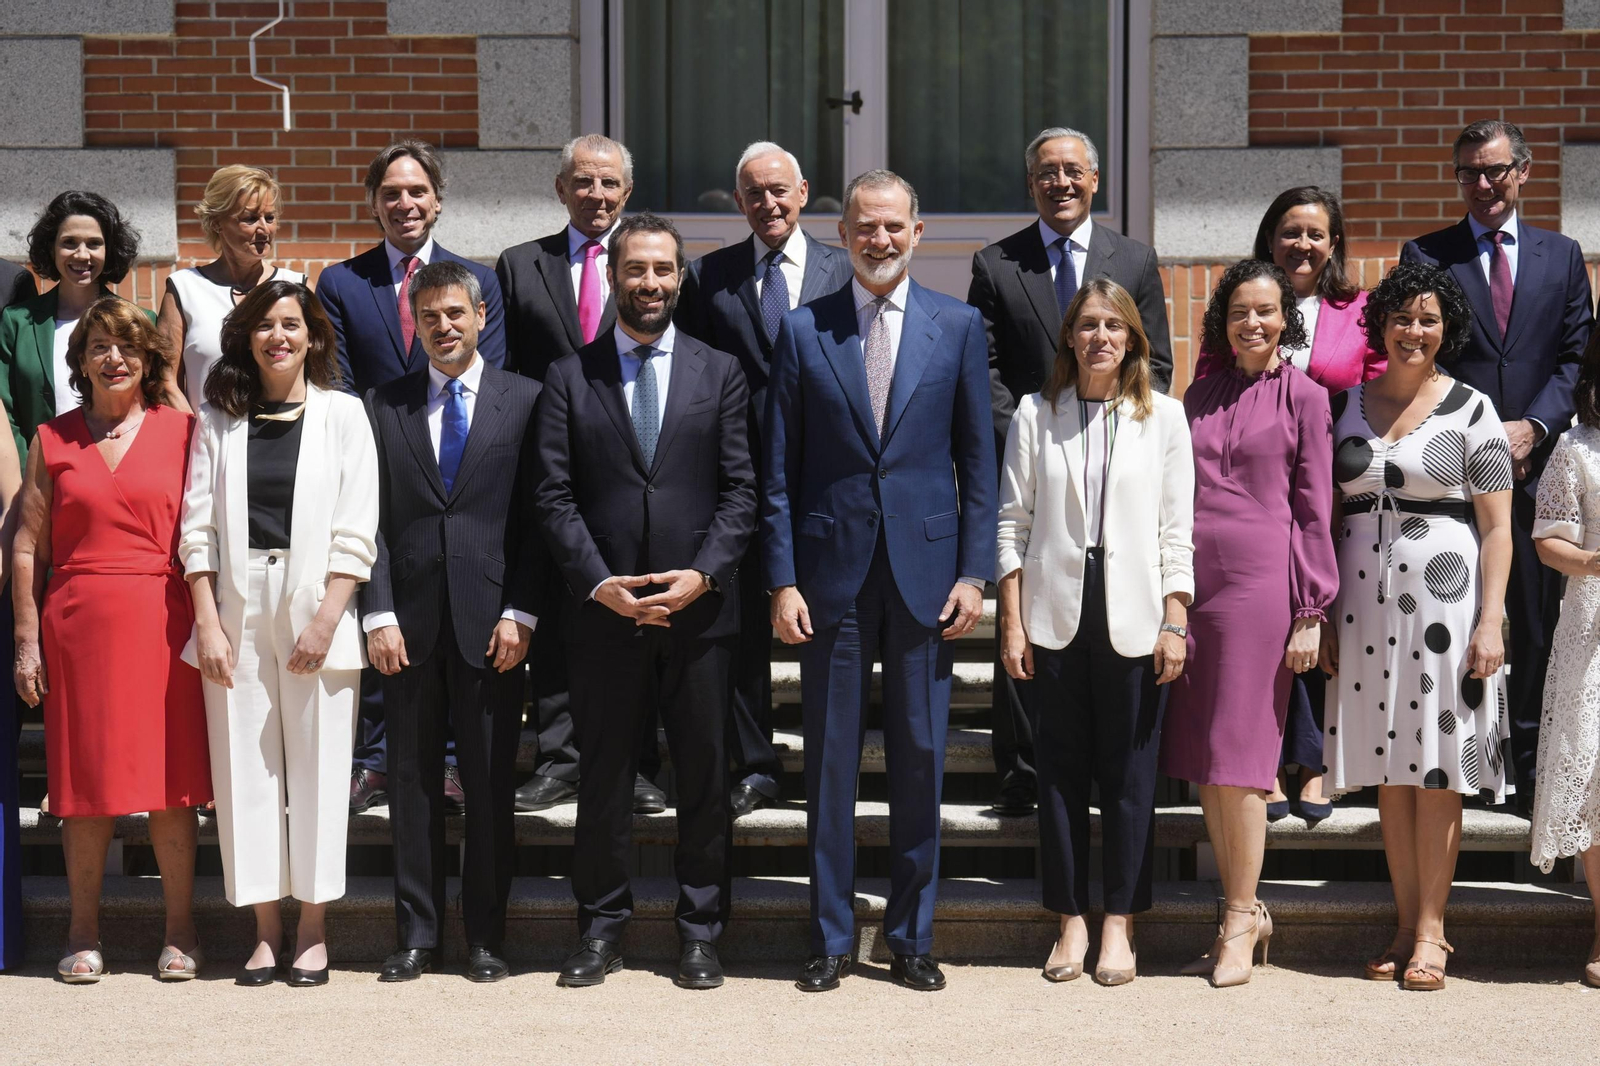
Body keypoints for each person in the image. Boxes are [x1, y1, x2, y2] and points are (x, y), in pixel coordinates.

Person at [767, 170, 995, 993]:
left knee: (921, 760)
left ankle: (910, 935)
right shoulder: (802, 331)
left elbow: (979, 462)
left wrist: (975, 572)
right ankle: (830, 935)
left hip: (927, 579)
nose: (881, 239)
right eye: (865, 226)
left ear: (918, 231)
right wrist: (782, 579)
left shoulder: (959, 326)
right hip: (829, 578)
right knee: (829, 765)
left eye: (894, 226)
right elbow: (779, 474)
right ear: (845, 234)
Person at [536, 214, 755, 991]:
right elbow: (553, 496)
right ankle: (600, 929)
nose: (651, 284)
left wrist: (704, 575)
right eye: (637, 270)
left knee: (703, 778)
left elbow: (741, 492)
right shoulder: (570, 376)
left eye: (664, 270)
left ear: (680, 277)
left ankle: (700, 931)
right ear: (615, 277)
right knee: (603, 781)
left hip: (699, 615)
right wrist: (600, 585)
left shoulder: (719, 372)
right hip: (604, 616)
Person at [968, 126, 1173, 818]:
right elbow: (985, 371)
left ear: (1095, 181)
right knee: (1029, 612)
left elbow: (1158, 365)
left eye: (1073, 171)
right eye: (1047, 172)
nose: (1061, 182)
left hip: (1120, 458)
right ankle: (1024, 770)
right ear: (1031, 185)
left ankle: (1107, 771)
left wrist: (1114, 430)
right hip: (1036, 460)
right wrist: (1037, 431)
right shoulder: (997, 263)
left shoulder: (1135, 260)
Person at [180, 279, 378, 986]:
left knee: (321, 769)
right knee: (244, 772)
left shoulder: (345, 415)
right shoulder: (218, 419)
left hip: (317, 601)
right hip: (234, 610)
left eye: (291, 324)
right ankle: (265, 929)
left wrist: (329, 617)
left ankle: (314, 930)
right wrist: (207, 621)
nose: (279, 337)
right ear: (247, 338)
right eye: (264, 325)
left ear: (314, 335)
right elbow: (195, 529)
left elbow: (358, 528)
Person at [997, 278, 1193, 986]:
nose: (1100, 338)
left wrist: (1176, 620)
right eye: (1087, 326)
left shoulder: (1164, 418)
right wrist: (1011, 621)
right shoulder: (1035, 412)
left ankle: (1120, 922)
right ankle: (1069, 919)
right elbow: (1011, 525)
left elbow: (1178, 531)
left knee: (1132, 779)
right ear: (1069, 338)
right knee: (1058, 778)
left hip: (1136, 615)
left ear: (1134, 337)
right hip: (1054, 614)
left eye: (1113, 325)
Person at [1323, 263, 1513, 991]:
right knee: (1389, 773)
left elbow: (1498, 530)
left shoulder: (1473, 409)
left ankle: (1434, 932)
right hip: (1362, 605)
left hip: (1447, 604)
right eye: (1402, 317)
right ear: (1382, 324)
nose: (1414, 331)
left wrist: (1490, 622)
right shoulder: (1343, 404)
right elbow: (1324, 514)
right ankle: (1403, 924)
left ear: (1446, 329)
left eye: (1428, 319)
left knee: (1438, 769)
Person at [12, 297, 211, 982]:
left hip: (164, 622)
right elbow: (28, 547)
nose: (114, 358)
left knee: (171, 782)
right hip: (80, 628)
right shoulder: (52, 439)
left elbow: (205, 535)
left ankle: (181, 930)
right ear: (82, 359)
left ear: (151, 357)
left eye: (128, 346)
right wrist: (25, 638)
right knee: (84, 785)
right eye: (99, 346)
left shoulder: (184, 430)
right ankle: (81, 931)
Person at [1401, 119, 1595, 812]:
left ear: (1524, 171)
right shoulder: (1425, 253)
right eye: (1468, 173)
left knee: (1537, 623)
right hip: (1456, 468)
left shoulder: (1563, 255)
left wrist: (1534, 426)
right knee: (1463, 620)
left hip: (1540, 471)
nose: (1482, 185)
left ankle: (1534, 770)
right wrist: (1484, 428)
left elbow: (1576, 355)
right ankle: (1469, 765)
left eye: (1494, 170)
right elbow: (1423, 351)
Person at [365, 261, 544, 984]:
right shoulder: (383, 405)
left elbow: (538, 519)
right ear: (415, 323)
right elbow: (366, 520)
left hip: (492, 625)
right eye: (429, 316)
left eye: (456, 314)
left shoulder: (526, 400)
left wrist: (520, 611)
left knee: (490, 786)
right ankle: (418, 934)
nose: (444, 327)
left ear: (480, 316)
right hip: (404, 627)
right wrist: (376, 612)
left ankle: (485, 940)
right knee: (410, 785)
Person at [1159, 259, 1336, 988]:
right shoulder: (1196, 396)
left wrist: (1311, 610)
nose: (1253, 323)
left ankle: (1240, 913)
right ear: (1221, 321)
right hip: (1195, 584)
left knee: (1241, 762)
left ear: (1284, 318)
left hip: (1263, 586)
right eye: (1240, 312)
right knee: (1208, 762)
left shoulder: (1308, 397)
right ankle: (1241, 912)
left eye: (1266, 311)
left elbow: (1314, 508)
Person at [316, 140, 505, 817]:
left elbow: (493, 375)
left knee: (447, 618)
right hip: (371, 465)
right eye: (391, 193)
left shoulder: (477, 278)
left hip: (453, 467)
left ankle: (449, 765)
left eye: (417, 191)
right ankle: (373, 760)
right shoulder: (342, 282)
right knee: (378, 609)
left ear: (438, 199)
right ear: (373, 204)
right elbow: (334, 379)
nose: (405, 203)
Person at [675, 140, 853, 817]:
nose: (768, 203)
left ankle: (829, 759)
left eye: (779, 190)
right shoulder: (709, 276)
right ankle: (755, 763)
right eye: (754, 193)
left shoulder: (844, 272)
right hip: (740, 474)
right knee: (745, 623)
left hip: (830, 474)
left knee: (831, 622)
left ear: (804, 192)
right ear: (738, 200)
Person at [1197, 186, 1385, 823]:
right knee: (1271, 633)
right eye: (1289, 231)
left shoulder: (1357, 310)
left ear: (1334, 244)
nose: (1302, 243)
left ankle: (1319, 760)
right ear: (1269, 238)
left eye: (1316, 233)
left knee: (1321, 628)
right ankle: (1278, 758)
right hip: (1260, 476)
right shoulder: (1241, 307)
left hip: (1339, 476)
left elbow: (1381, 381)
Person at [496, 134, 663, 817]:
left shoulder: (654, 259)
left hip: (639, 466)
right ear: (560, 189)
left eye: (609, 184)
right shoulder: (518, 265)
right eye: (584, 182)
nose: (597, 195)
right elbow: (504, 370)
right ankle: (562, 758)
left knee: (641, 617)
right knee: (563, 617)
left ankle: (639, 764)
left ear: (628, 192)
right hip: (553, 467)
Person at [1531, 341, 1600, 989]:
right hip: (1594, 620)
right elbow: (1548, 538)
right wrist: (1593, 563)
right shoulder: (1578, 446)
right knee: (1596, 775)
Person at [0, 191, 150, 462]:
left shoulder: (142, 321)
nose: (82, 255)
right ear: (51, 248)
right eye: (69, 243)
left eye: (94, 244)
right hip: (38, 481)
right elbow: (5, 413)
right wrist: (26, 480)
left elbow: (154, 406)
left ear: (110, 250)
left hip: (117, 475)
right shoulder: (17, 321)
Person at [159, 165, 306, 413]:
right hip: (208, 443)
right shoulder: (184, 289)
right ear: (217, 222)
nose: (264, 229)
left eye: (270, 218)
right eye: (250, 218)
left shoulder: (297, 287)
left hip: (284, 438)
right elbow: (166, 382)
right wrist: (197, 438)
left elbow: (317, 372)